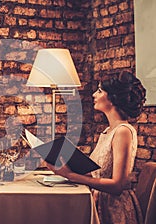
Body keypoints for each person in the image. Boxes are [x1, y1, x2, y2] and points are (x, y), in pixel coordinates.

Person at [47, 71, 146, 224]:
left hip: (114, 210)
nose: (94, 94)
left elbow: (117, 185)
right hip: (99, 203)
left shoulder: (123, 132)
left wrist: (70, 176)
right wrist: (64, 169)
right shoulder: (108, 132)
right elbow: (97, 175)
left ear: (112, 98)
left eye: (99, 90)